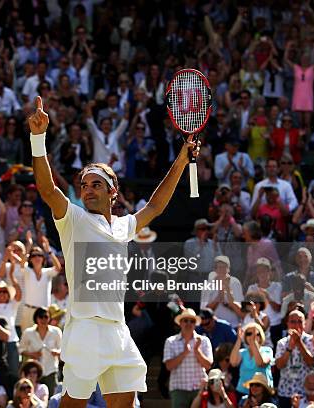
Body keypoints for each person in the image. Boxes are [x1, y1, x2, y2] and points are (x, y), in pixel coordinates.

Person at [30, 94, 200, 406]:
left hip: (118, 331)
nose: (88, 190)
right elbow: (46, 189)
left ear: (113, 191)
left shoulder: (123, 226)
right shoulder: (74, 219)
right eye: (84, 185)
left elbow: (156, 205)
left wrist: (182, 160)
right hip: (85, 329)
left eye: (96, 184)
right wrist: (37, 139)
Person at [164, 309, 214, 408]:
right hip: (179, 389)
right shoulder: (170, 341)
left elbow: (208, 365)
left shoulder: (204, 341)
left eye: (192, 321)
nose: (189, 323)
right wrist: (184, 353)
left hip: (199, 389)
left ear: (195, 324)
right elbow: (169, 366)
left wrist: (197, 351)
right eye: (185, 320)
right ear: (180, 323)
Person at [274, 310, 314, 408]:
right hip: (285, 392)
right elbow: (279, 365)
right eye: (293, 321)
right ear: (288, 324)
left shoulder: (311, 341)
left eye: (299, 321)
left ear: (304, 323)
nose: (296, 324)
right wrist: (289, 348)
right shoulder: (282, 343)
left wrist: (299, 342)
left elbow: (311, 362)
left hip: (305, 393)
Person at [19, 307, 62, 397]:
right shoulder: (28, 332)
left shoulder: (56, 331)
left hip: (51, 371)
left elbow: (62, 349)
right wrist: (32, 354)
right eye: (40, 317)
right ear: (36, 318)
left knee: (52, 397)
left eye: (46, 317)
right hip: (33, 372)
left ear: (49, 318)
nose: (43, 319)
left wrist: (57, 352)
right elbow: (21, 349)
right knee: (31, 397)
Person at [230, 323, 273, 397]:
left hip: (262, 393)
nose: (252, 336)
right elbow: (233, 363)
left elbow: (260, 363)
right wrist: (239, 340)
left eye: (256, 334)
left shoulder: (267, 350)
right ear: (245, 336)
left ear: (261, 335)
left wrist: (254, 343)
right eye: (249, 334)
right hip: (242, 391)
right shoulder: (242, 352)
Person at [200, 255, 244, 328]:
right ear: (215, 269)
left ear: (229, 269)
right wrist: (219, 297)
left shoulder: (235, 282)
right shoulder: (207, 285)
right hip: (214, 327)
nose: (222, 270)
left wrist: (228, 299)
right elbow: (204, 311)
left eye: (225, 267)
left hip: (233, 325)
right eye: (220, 267)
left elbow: (241, 310)